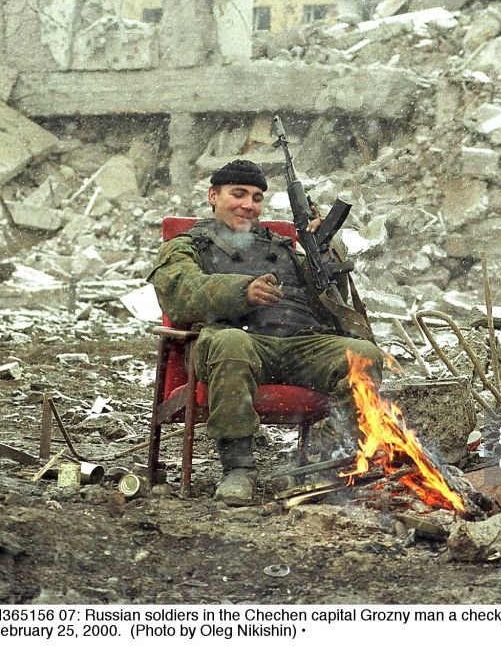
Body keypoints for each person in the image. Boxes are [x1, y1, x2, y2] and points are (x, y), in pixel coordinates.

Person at [148, 159, 384, 505]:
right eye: (238, 194)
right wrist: (242, 292)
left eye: (257, 198)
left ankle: (329, 463)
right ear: (213, 196)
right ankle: (238, 468)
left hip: (300, 344)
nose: (248, 205)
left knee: (364, 356)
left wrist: (325, 251)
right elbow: (181, 293)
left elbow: (328, 299)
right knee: (231, 343)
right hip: (233, 341)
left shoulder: (282, 247)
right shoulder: (189, 245)